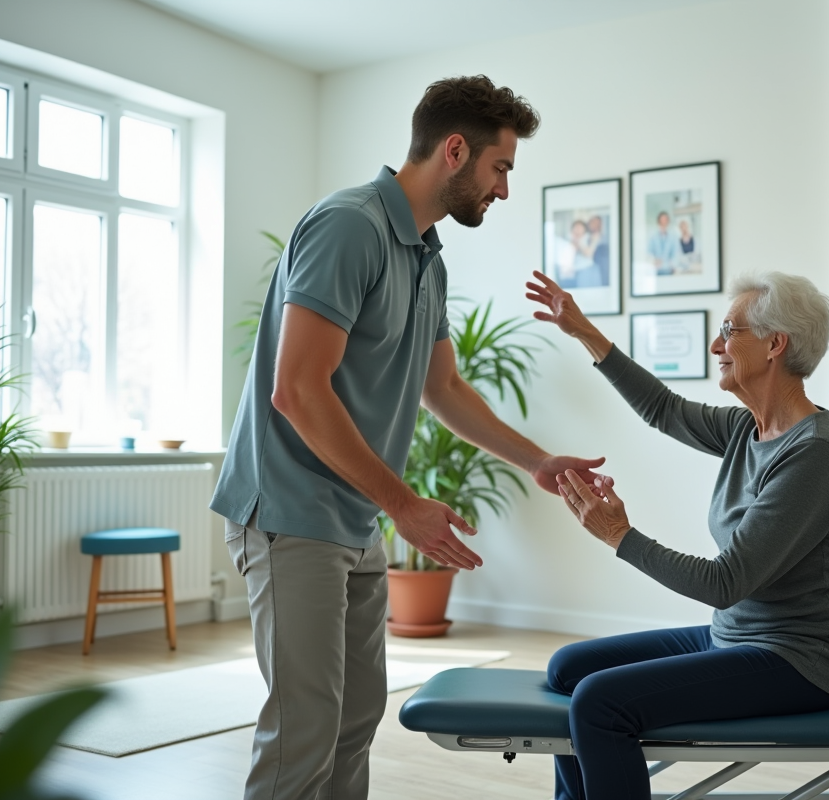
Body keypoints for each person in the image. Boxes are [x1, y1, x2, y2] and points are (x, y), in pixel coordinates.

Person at [210, 76, 605, 800]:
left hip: (353, 516)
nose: (504, 190)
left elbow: (443, 388)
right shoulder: (348, 226)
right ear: (455, 151)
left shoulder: (426, 254)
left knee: (354, 719)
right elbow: (296, 389)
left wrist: (539, 460)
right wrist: (403, 505)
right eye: (501, 168)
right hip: (291, 512)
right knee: (305, 728)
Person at [525, 269, 829, 800]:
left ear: (776, 344)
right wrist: (585, 331)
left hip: (798, 661)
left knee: (599, 702)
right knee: (569, 669)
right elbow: (662, 409)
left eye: (729, 332)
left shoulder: (815, 453)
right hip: (735, 636)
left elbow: (724, 582)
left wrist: (619, 535)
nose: (716, 346)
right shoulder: (745, 429)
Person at [646, 210, 680, 274]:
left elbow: (676, 253)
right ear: (658, 222)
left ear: (668, 222)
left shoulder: (673, 237)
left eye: (665, 221)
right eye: (662, 221)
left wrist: (671, 264)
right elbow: (649, 252)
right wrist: (654, 260)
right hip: (655, 270)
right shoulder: (653, 237)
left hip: (669, 270)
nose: (663, 223)